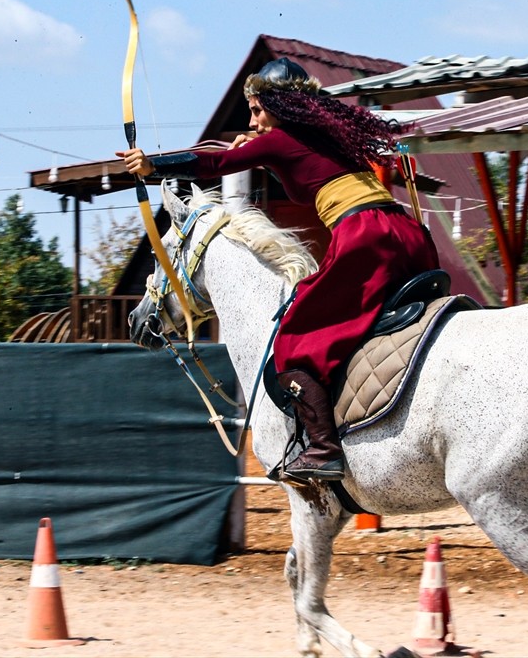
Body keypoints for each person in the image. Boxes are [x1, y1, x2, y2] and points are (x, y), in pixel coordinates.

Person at [118, 58, 440, 482]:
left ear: (279, 106)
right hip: (407, 233)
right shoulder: (327, 136)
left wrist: (152, 166)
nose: (252, 121)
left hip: (364, 237)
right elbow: (289, 164)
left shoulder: (282, 140)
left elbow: (214, 166)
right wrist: (257, 151)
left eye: (256, 110)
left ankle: (324, 449)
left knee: (293, 341)